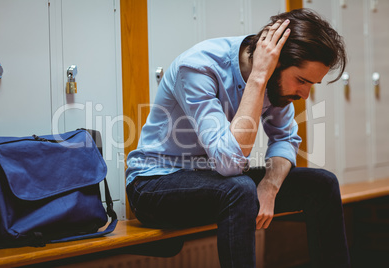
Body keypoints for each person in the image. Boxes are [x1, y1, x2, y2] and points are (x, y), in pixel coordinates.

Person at [126, 8, 350, 268]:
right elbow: (229, 164)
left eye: (311, 84)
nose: (304, 94)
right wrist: (258, 77)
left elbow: (286, 138)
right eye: (301, 81)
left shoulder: (279, 86)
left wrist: (269, 185)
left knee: (322, 185)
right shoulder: (200, 67)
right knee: (239, 188)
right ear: (275, 61)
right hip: (155, 184)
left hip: (216, 183)